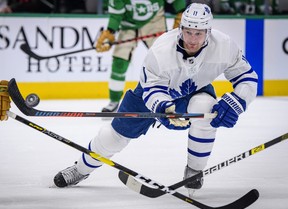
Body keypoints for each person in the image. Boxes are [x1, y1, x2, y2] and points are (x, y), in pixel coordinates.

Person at [54, 2, 258, 197]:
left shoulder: (224, 46)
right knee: (111, 137)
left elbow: (247, 78)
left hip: (194, 92)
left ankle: (194, 172)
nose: (192, 39)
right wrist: (165, 109)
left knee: (205, 108)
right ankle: (80, 169)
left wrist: (237, 102)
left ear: (208, 32)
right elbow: (152, 89)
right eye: (188, 31)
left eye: (198, 33)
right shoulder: (161, 50)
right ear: (181, 29)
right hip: (151, 96)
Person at [95, 0, 186, 113]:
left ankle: (176, 99)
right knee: (119, 62)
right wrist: (110, 30)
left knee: (166, 60)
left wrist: (182, 13)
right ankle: (114, 101)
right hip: (129, 24)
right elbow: (116, 14)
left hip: (155, 22)